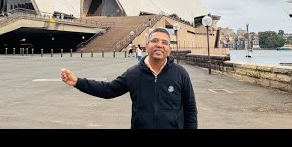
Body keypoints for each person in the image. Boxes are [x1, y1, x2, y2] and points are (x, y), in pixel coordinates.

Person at [60, 27, 198, 129]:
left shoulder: (180, 73)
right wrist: (78, 82)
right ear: (147, 45)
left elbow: (190, 108)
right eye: (154, 40)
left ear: (169, 48)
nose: (159, 45)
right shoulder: (134, 73)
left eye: (164, 42)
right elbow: (108, 90)